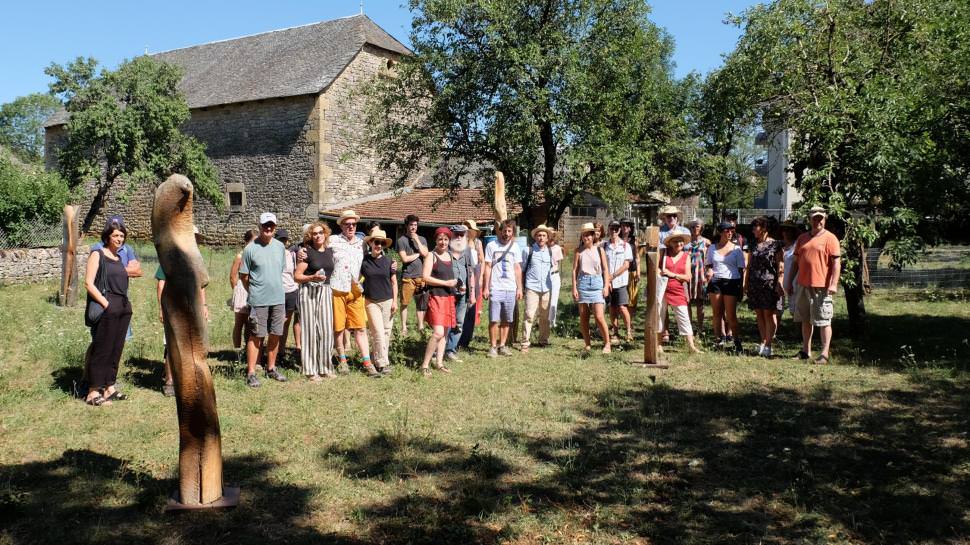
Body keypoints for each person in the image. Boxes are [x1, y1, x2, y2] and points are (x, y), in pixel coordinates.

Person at [83, 220, 133, 406]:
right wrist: (106, 304)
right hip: (108, 305)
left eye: (121, 236)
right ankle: (93, 391)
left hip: (122, 306)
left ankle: (109, 387)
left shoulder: (118, 258)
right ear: (107, 236)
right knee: (102, 349)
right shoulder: (98, 254)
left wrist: (123, 306)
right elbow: (88, 283)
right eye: (115, 235)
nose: (119, 239)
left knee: (116, 349)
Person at [156, 226, 209, 397]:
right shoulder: (170, 257)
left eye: (194, 238)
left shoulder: (197, 260)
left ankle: (189, 379)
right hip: (174, 308)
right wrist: (162, 307)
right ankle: (170, 380)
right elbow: (161, 284)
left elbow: (201, 287)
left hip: (193, 309)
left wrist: (204, 306)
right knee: (171, 344)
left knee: (193, 345)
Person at [240, 212, 289, 387]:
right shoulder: (250, 249)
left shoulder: (280, 247)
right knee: (256, 335)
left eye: (271, 225)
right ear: (260, 227)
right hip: (259, 299)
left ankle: (271, 368)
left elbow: (279, 271)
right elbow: (244, 276)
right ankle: (251, 372)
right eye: (265, 225)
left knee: (276, 333)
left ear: (275, 227)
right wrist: (253, 291)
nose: (268, 228)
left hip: (278, 298)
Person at [788, 206, 841, 364]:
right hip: (803, 285)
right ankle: (806, 351)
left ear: (825, 219)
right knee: (805, 319)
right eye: (815, 218)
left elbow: (836, 263)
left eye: (821, 218)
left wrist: (833, 284)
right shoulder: (802, 238)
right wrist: (790, 281)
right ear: (809, 219)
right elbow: (796, 263)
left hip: (822, 287)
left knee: (824, 320)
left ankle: (824, 354)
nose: (818, 221)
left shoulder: (830, 238)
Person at [330, 210, 379, 377]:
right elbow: (316, 250)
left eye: (353, 224)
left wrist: (392, 265)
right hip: (337, 288)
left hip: (356, 289)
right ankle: (342, 360)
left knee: (360, 327)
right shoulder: (332, 241)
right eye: (347, 224)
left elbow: (375, 256)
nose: (351, 227)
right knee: (339, 327)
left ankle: (367, 362)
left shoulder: (362, 243)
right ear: (341, 225)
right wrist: (301, 253)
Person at [294, 221, 335, 381]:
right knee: (310, 331)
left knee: (326, 331)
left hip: (325, 291)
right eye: (315, 233)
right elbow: (297, 277)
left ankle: (325, 367)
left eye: (320, 232)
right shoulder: (307, 253)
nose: (318, 235)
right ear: (310, 237)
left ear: (325, 234)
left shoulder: (330, 251)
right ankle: (310, 370)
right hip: (308, 291)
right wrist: (312, 277)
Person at [420, 227, 458, 376]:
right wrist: (446, 283)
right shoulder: (431, 255)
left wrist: (455, 286)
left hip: (449, 298)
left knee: (445, 333)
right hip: (436, 298)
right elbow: (425, 277)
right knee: (438, 332)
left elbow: (450, 277)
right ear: (435, 240)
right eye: (440, 239)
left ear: (449, 241)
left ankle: (439, 363)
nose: (443, 242)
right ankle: (424, 365)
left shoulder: (449, 255)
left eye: (446, 239)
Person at [745, 216, 785, 357]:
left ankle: (769, 344)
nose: (753, 229)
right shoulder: (753, 244)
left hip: (769, 284)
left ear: (763, 228)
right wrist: (746, 284)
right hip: (755, 283)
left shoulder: (776, 244)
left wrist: (779, 282)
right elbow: (749, 265)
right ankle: (763, 342)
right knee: (759, 313)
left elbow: (781, 265)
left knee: (769, 314)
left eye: (755, 226)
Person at [483, 219, 523, 357]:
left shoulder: (516, 247)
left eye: (509, 231)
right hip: (495, 287)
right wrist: (486, 287)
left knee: (507, 319)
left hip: (510, 288)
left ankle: (503, 345)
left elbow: (517, 268)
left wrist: (519, 288)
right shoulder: (491, 246)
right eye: (504, 230)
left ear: (513, 232)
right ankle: (493, 346)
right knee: (494, 319)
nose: (506, 233)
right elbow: (487, 267)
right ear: (500, 231)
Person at [705, 221, 746, 354]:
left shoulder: (737, 249)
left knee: (731, 315)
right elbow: (709, 264)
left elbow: (741, 269)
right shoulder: (712, 248)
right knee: (717, 313)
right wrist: (709, 270)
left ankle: (736, 341)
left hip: (732, 281)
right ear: (720, 232)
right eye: (726, 231)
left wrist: (742, 287)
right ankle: (719, 339)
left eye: (731, 231)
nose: (729, 233)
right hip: (716, 281)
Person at [361, 227, 397, 375]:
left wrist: (395, 301)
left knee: (387, 332)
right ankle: (383, 363)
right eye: (376, 242)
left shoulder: (389, 262)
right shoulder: (363, 261)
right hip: (371, 301)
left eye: (381, 243)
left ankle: (378, 360)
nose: (379, 245)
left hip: (388, 300)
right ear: (370, 243)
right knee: (378, 332)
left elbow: (394, 282)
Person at [572, 223, 612, 353]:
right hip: (583, 282)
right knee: (584, 317)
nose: (586, 237)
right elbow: (574, 271)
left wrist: (606, 286)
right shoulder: (578, 251)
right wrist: (574, 288)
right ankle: (587, 344)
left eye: (589, 235)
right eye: (584, 235)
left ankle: (607, 343)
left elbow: (605, 270)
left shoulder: (600, 250)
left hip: (596, 283)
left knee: (599, 316)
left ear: (593, 236)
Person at [660, 233, 701, 353]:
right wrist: (660, 271)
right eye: (675, 241)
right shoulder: (664, 253)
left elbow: (688, 277)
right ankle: (658, 344)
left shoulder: (686, 256)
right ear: (670, 243)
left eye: (681, 241)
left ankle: (691, 347)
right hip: (662, 289)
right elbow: (656, 268)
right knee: (659, 316)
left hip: (678, 291)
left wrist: (673, 274)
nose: (679, 244)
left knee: (684, 317)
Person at [521, 224, 556, 352]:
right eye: (539, 235)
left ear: (547, 238)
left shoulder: (550, 251)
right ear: (535, 237)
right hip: (532, 287)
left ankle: (543, 340)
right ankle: (525, 342)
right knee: (529, 315)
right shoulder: (528, 250)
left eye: (544, 236)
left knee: (545, 316)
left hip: (546, 288)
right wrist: (521, 288)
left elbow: (553, 269)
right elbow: (522, 270)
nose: (541, 238)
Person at [657, 206, 690, 342]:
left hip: (681, 273)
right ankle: (664, 332)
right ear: (664, 217)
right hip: (665, 273)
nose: (672, 218)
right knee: (662, 308)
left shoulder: (685, 231)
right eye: (669, 216)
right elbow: (658, 255)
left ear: (677, 217)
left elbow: (686, 253)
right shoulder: (659, 233)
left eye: (674, 216)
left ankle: (686, 336)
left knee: (684, 305)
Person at [444, 224, 475, 362]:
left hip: (463, 294)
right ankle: (439, 349)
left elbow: (471, 273)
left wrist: (472, 293)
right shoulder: (443, 250)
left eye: (462, 234)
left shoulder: (467, 251)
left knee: (459, 322)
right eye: (456, 234)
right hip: (446, 292)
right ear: (451, 235)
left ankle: (451, 349)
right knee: (444, 322)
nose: (459, 237)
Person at [396, 214, 429, 337]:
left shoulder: (422, 239)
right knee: (405, 303)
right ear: (406, 226)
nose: (413, 227)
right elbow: (404, 259)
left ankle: (420, 326)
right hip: (408, 276)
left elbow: (425, 254)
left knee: (421, 303)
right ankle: (404, 327)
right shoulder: (401, 240)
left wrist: (416, 241)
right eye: (411, 225)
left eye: (415, 225)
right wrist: (417, 254)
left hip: (421, 276)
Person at [603, 220, 634, 342]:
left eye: (616, 229)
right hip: (608, 282)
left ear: (620, 230)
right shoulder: (604, 246)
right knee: (612, 307)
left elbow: (626, 265)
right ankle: (615, 332)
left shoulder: (625, 246)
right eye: (612, 228)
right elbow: (602, 264)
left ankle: (628, 331)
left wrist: (612, 276)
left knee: (622, 307)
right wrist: (607, 280)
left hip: (620, 281)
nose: (614, 231)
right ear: (608, 229)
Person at [458, 219, 486, 349]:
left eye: (470, 229)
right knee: (462, 307)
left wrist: (481, 279)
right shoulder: (459, 242)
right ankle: (459, 337)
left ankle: (467, 337)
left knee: (473, 308)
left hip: (475, 274)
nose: (468, 231)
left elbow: (482, 261)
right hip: (464, 274)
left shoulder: (477, 242)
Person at [229, 230, 256, 362]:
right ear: (247, 241)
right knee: (239, 322)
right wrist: (236, 291)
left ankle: (248, 350)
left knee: (251, 323)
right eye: (253, 241)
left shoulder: (254, 254)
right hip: (242, 289)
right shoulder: (240, 256)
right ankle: (237, 351)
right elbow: (233, 276)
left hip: (253, 288)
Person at [276, 228, 300, 365]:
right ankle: (274, 352)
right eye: (280, 240)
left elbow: (295, 273)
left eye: (284, 240)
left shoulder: (291, 255)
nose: (283, 242)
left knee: (285, 323)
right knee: (276, 323)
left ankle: (281, 352)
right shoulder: (271, 253)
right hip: (277, 292)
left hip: (291, 291)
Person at [686, 218, 711, 334]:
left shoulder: (707, 242)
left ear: (701, 228)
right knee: (687, 301)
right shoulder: (685, 242)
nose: (694, 228)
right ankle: (689, 328)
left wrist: (708, 273)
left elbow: (709, 259)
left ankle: (700, 328)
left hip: (701, 276)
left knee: (700, 302)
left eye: (697, 226)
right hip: (687, 275)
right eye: (692, 226)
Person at [779, 220, 801, 323]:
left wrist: (791, 283)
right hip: (780, 282)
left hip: (795, 282)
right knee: (778, 307)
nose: (786, 232)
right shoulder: (779, 246)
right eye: (784, 230)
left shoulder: (797, 245)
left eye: (789, 230)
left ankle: (799, 333)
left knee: (796, 308)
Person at [619, 218, 640, 311]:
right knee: (620, 297)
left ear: (630, 228)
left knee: (632, 297)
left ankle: (630, 321)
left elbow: (637, 257)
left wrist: (638, 272)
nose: (625, 227)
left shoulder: (634, 241)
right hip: (619, 271)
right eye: (623, 225)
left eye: (627, 225)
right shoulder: (616, 239)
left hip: (631, 271)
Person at [547, 234, 564, 328]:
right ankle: (544, 321)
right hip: (544, 276)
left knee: (554, 299)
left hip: (554, 274)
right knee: (545, 299)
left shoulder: (557, 248)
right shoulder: (543, 248)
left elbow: (558, 263)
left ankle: (552, 322)